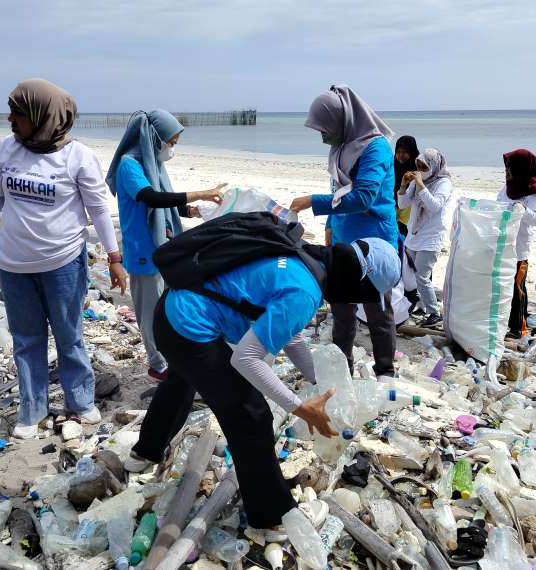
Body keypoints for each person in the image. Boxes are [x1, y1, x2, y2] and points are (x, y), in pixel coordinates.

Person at [126, 232, 401, 532]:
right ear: (357, 282)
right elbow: (244, 359)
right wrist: (299, 407)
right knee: (250, 414)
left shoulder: (306, 259)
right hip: (186, 325)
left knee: (183, 378)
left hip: (173, 309)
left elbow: (292, 339)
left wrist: (323, 383)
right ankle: (270, 516)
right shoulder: (305, 291)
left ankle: (145, 452)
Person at [0, 79, 127, 439]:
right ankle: (32, 411)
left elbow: (97, 208)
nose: (9, 119)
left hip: (63, 262)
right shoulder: (5, 150)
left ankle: (80, 402)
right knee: (27, 339)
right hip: (13, 265)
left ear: (41, 115)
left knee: (69, 335)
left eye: (17, 113)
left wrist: (113, 257)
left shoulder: (77, 157)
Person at [106, 110, 225, 381]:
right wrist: (201, 191)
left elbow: (167, 202)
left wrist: (192, 210)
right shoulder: (129, 164)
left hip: (163, 247)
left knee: (168, 307)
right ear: (155, 137)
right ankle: (157, 365)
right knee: (149, 312)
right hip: (143, 249)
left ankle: (171, 358)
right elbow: (151, 197)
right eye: (170, 143)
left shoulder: (152, 163)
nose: (171, 149)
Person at [289, 85, 398, 379]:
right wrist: (329, 224)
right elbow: (337, 189)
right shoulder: (341, 149)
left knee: (377, 312)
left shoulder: (376, 148)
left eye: (324, 129)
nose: (322, 136)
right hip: (343, 240)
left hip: (373, 242)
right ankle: (342, 372)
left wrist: (314, 203)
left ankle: (385, 371)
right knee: (342, 313)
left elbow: (364, 196)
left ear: (343, 120)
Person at [496, 148, 536, 338]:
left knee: (517, 287)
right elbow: (499, 204)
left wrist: (520, 208)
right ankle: (504, 322)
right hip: (504, 242)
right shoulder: (509, 186)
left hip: (519, 248)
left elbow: (535, 218)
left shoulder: (535, 191)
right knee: (502, 284)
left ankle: (519, 327)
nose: (507, 171)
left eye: (511, 167)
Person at [397, 148, 454, 328]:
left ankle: (434, 313)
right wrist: (404, 186)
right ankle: (418, 306)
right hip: (414, 234)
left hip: (431, 236)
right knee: (409, 274)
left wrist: (420, 184)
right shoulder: (418, 181)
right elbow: (402, 204)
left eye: (424, 166)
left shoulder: (444, 183)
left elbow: (434, 206)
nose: (421, 169)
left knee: (422, 275)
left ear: (434, 166)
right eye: (418, 166)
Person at [393, 135, 420, 239]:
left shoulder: (418, 167)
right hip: (394, 206)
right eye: (398, 152)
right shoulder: (393, 165)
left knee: (406, 235)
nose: (400, 155)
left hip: (410, 210)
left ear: (411, 152)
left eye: (404, 152)